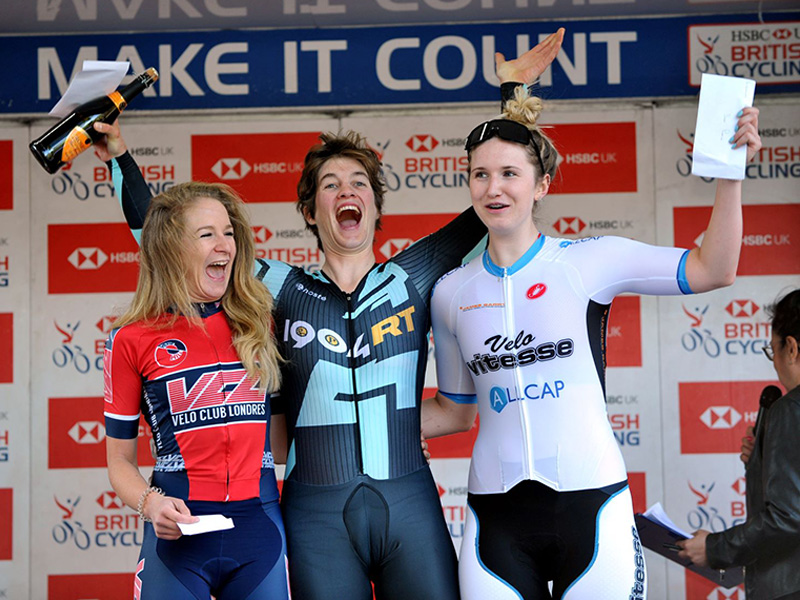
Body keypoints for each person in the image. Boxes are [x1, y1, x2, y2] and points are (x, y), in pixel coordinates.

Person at [94, 31, 565, 599]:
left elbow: (495, 199)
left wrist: (514, 96)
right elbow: (166, 235)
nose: (348, 191)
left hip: (409, 505)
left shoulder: (413, 275)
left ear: (374, 206)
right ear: (310, 210)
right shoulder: (278, 286)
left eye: (360, 183)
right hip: (316, 517)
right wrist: (119, 155)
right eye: (331, 184)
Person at [422, 86, 762, 599]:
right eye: (480, 174)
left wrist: (731, 174)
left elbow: (713, 269)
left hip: (593, 504)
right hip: (495, 515)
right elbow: (455, 411)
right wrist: (356, 423)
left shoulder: (587, 262)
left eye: (510, 173)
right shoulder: (451, 292)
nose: (494, 188)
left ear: (542, 184)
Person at [103, 182, 290, 598]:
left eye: (229, 232)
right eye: (207, 234)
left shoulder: (260, 323)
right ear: (172, 249)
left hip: (259, 531)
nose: (225, 245)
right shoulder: (131, 338)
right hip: (177, 537)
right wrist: (151, 504)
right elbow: (119, 461)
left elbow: (285, 440)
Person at [678, 289, 800, 600]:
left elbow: (787, 517)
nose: (775, 365)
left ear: (791, 348)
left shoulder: (789, 410)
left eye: (773, 351)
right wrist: (763, 463)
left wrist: (714, 548)